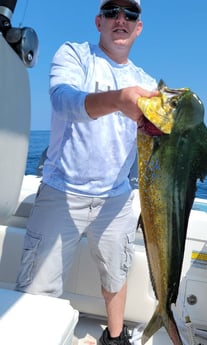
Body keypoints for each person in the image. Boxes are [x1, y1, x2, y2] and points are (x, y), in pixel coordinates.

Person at [15, 0, 158, 344]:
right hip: (61, 191)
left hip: (117, 198)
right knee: (37, 288)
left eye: (130, 15)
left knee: (116, 274)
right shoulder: (75, 55)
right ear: (99, 22)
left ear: (138, 27)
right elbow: (63, 100)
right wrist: (118, 100)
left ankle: (116, 336)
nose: (120, 19)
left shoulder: (146, 82)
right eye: (112, 12)